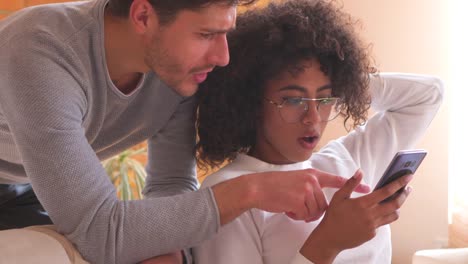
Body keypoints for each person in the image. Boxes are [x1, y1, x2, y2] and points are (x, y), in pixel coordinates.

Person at [0, 0, 371, 263]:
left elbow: (170, 184)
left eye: (225, 33)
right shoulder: (40, 51)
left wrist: (168, 251)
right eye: (207, 33)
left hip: (26, 180)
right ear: (143, 15)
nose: (223, 56)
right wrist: (254, 189)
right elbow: (102, 233)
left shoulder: (176, 70)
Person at [193, 0, 444, 263]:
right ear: (250, 103)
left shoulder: (348, 159)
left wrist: (342, 81)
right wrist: (327, 243)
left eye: (324, 101)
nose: (313, 117)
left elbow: (428, 95)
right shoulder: (229, 192)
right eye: (293, 100)